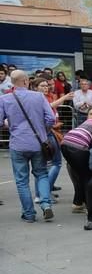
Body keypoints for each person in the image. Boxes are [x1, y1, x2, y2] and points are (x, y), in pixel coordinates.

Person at [0, 70, 56, 222]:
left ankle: (29, 214)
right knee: (42, 174)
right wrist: (43, 130)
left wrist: (9, 125)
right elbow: (51, 118)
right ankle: (45, 204)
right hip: (38, 143)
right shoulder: (38, 96)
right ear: (26, 81)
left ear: (12, 82)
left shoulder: (4, 99)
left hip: (17, 143)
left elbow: (0, 122)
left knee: (21, 180)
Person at [59, 113, 92, 213]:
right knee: (87, 177)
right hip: (79, 147)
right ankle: (89, 206)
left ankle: (78, 203)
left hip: (65, 142)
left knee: (79, 175)